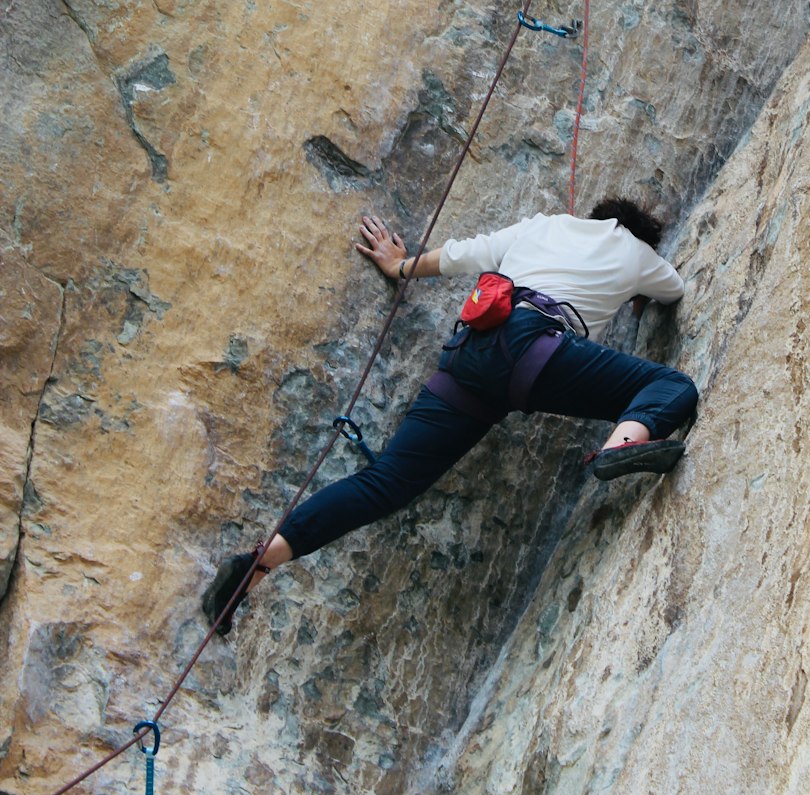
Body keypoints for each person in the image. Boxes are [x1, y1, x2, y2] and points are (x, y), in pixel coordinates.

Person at [203, 197, 698, 634]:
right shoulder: (635, 250)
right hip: (534, 354)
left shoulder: (546, 225)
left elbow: (466, 253)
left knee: (387, 482)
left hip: (470, 353)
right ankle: (621, 446)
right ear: (637, 232)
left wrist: (399, 266)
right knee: (670, 386)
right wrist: (636, 291)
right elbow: (672, 289)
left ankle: (257, 565)